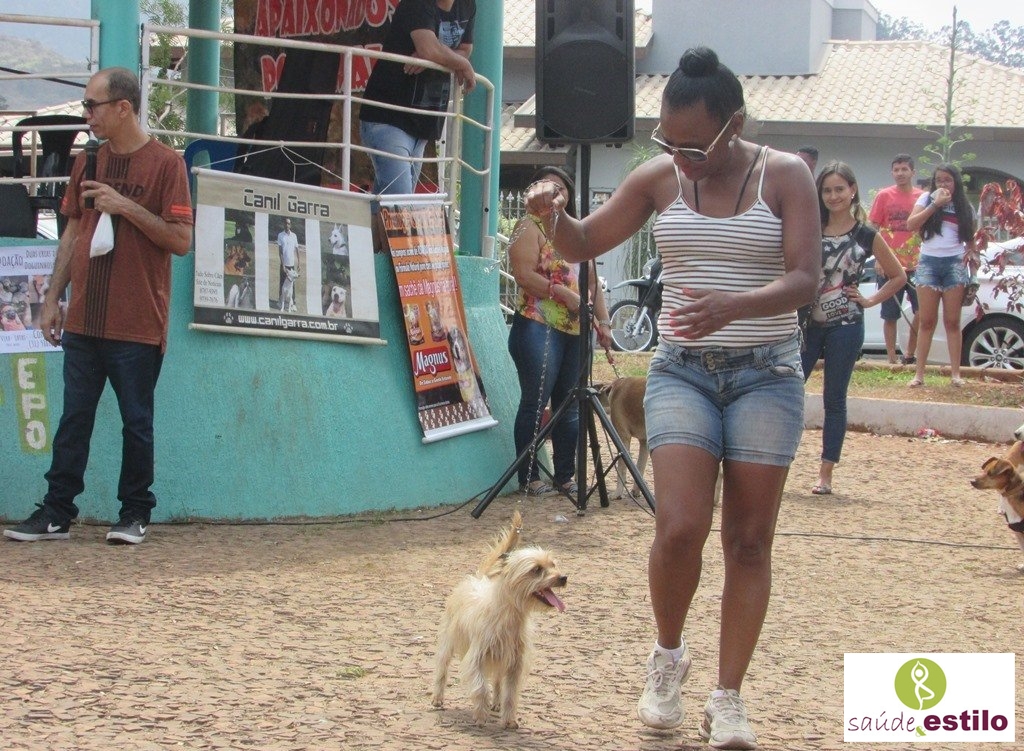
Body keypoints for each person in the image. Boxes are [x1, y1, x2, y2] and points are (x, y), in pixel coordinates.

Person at [524, 47, 820, 749]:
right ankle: (666, 659)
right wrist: (549, 216)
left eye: (695, 146)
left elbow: (806, 278)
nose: (680, 158)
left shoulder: (786, 175)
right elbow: (584, 240)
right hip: (683, 369)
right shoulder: (659, 178)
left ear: (734, 124)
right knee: (680, 526)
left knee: (748, 540)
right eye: (669, 142)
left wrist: (734, 305)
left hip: (767, 373)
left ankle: (728, 697)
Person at [3, 67, 193, 545]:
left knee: (137, 423)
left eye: (93, 105)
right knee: (73, 420)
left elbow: (181, 240)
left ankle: (134, 512)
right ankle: (56, 512)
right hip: (85, 319)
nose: (86, 114)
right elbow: (72, 231)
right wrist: (52, 299)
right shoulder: (86, 162)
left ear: (123, 108)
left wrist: (125, 206)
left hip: (138, 322)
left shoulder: (167, 165)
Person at [801, 162, 905, 496]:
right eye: (827, 190)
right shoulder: (810, 227)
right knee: (787, 392)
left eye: (839, 189)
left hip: (846, 325)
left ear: (852, 190)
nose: (833, 196)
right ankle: (777, 464)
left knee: (834, 398)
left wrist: (870, 300)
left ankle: (825, 473)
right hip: (807, 323)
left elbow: (898, 276)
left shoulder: (866, 234)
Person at [507, 166, 612, 498]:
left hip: (577, 331)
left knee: (570, 404)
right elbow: (523, 274)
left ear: (569, 195)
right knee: (536, 402)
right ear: (533, 193)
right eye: (546, 187)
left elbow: (593, 284)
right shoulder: (529, 226)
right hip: (538, 326)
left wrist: (604, 323)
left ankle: (566, 476)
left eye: (560, 188)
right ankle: (529, 477)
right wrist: (561, 293)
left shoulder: (577, 231)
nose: (554, 193)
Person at [359, 0, 476, 197]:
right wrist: (457, 62)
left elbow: (465, 49)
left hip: (422, 122)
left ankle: (364, 218)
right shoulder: (417, 3)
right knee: (400, 202)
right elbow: (429, 49)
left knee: (389, 202)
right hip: (389, 115)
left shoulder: (467, 5)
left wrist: (435, 57)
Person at [905, 163, 977, 387]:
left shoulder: (965, 206)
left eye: (948, 180)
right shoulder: (926, 199)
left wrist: (973, 273)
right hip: (928, 263)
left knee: (952, 321)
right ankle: (919, 375)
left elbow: (971, 243)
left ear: (956, 182)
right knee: (926, 320)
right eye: (939, 180)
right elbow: (911, 224)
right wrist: (935, 205)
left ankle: (956, 374)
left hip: (954, 263)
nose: (943, 184)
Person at [868, 154, 923, 364]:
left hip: (917, 264)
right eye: (896, 170)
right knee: (890, 314)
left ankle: (910, 354)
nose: (900, 173)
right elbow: (873, 229)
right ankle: (891, 358)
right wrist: (878, 259)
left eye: (904, 169)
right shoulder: (884, 196)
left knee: (922, 312)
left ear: (913, 172)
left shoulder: (922, 197)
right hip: (890, 264)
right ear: (892, 172)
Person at [277, 217, 299, 311]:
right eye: (286, 223)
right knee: (282, 283)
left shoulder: (294, 236)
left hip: (291, 264)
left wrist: (299, 263)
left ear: (291, 225)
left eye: (289, 223)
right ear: (284, 224)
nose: (287, 225)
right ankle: (280, 301)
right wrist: (283, 265)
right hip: (284, 264)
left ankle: (292, 303)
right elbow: (280, 252)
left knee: (292, 284)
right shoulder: (280, 235)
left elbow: (297, 249)